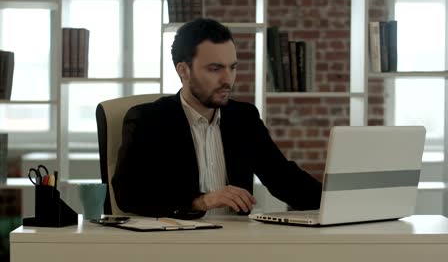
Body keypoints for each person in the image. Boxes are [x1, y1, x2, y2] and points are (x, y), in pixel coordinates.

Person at [112, 18, 322, 219]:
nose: (227, 79)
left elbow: (282, 178)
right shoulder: (148, 119)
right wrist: (201, 201)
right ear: (183, 70)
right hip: (176, 241)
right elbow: (128, 195)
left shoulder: (244, 117)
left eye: (232, 67)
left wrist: (339, 203)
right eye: (215, 69)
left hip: (236, 242)